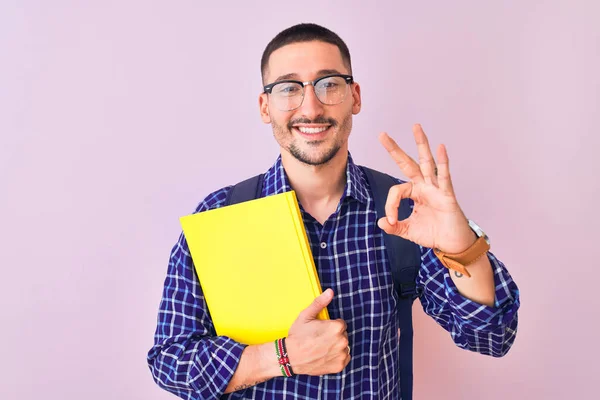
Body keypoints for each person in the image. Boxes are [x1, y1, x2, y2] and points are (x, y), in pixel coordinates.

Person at [147, 23, 520, 400]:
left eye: (329, 84)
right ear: (265, 106)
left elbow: (491, 336)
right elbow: (170, 361)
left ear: (354, 97)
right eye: (289, 88)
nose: (311, 107)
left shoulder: (405, 211)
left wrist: (461, 247)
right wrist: (282, 357)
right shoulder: (221, 214)